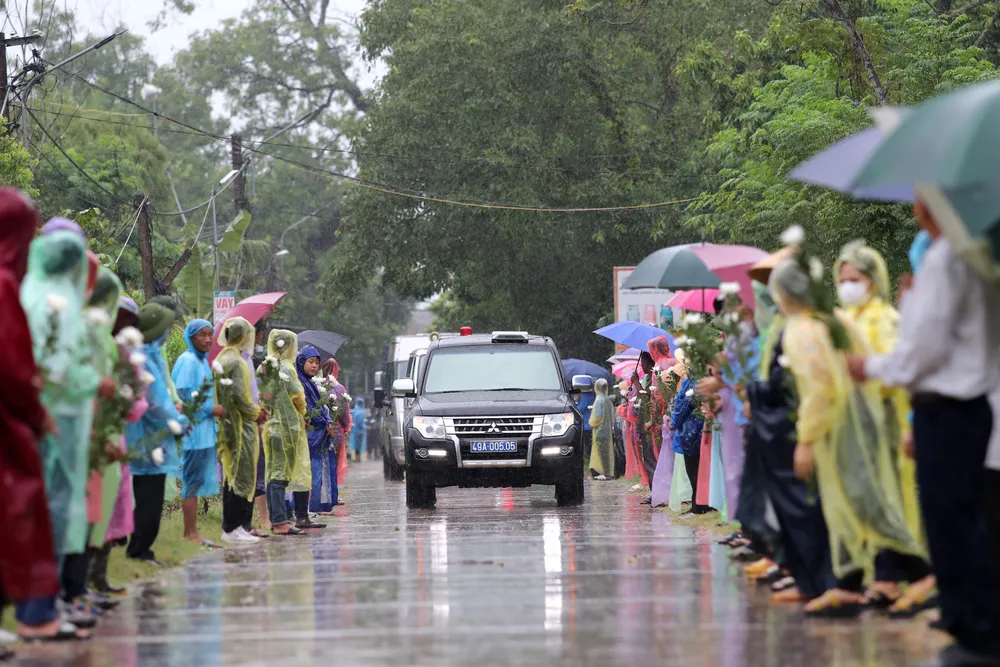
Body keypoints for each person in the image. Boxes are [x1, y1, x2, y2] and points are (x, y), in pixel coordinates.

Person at [847, 199, 1000, 664]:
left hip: (947, 409)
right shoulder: (973, 255)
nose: (915, 207)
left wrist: (868, 366)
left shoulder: (945, 258)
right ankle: (974, 626)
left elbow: (921, 352)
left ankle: (974, 632)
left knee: (950, 520)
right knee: (963, 516)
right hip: (965, 408)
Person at [770, 255, 923, 618]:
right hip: (842, 424)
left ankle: (919, 573)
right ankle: (850, 583)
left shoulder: (810, 328)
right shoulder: (831, 319)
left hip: (866, 422)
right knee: (848, 508)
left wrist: (806, 439)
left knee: (867, 502)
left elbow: (822, 387)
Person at [0, 190, 84, 644]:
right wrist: (36, 411)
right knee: (29, 513)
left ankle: (36, 610)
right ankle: (36, 613)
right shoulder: (7, 285)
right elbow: (13, 367)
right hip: (18, 421)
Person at [835, 241, 933, 615]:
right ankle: (885, 576)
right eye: (842, 280)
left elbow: (898, 375)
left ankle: (907, 574)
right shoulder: (848, 320)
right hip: (855, 427)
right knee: (865, 502)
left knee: (885, 501)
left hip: (885, 424)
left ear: (872, 280)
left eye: (854, 279)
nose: (848, 287)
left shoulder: (885, 320)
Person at [124, 303, 188, 563]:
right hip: (147, 437)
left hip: (153, 436)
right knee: (149, 496)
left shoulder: (151, 355)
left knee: (151, 495)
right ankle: (139, 549)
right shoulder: (143, 358)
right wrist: (178, 421)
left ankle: (142, 547)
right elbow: (156, 401)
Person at [261, 329, 319, 534]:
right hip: (287, 427)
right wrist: (304, 413)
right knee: (280, 473)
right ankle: (280, 521)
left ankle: (279, 518)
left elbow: (264, 397)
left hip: (270, 425)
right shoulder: (286, 368)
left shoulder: (265, 366)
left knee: (272, 473)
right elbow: (298, 397)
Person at [171, 319, 223, 547]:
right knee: (191, 481)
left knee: (198, 480)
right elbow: (182, 396)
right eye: (202, 335)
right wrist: (210, 409)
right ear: (191, 337)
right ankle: (189, 533)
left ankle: (194, 531)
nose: (207, 339)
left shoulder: (203, 362)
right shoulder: (187, 361)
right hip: (193, 432)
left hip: (206, 432)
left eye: (210, 334)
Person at [215, 317, 264, 544]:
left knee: (234, 474)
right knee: (237, 475)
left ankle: (235, 526)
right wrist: (257, 413)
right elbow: (239, 397)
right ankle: (232, 526)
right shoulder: (234, 361)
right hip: (238, 425)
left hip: (233, 424)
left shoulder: (224, 357)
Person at [298, 346, 340, 513]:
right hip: (310, 436)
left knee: (319, 474)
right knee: (311, 475)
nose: (314, 366)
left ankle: (316, 506)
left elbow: (322, 407)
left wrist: (328, 421)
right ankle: (307, 508)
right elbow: (308, 408)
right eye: (310, 362)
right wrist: (324, 421)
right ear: (301, 362)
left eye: (317, 363)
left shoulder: (312, 384)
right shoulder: (301, 383)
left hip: (320, 434)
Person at [669, 350, 708, 514]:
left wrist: (673, 422)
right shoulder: (701, 376)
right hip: (699, 427)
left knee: (693, 468)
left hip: (690, 430)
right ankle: (699, 504)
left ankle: (697, 506)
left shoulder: (692, 380)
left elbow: (683, 404)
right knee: (698, 468)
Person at [588, 379, 615, 479]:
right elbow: (612, 416)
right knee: (606, 452)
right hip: (607, 431)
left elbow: (597, 416)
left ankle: (601, 473)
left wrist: (591, 422)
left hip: (599, 431)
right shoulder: (608, 400)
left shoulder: (599, 400)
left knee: (599, 453)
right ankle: (607, 472)